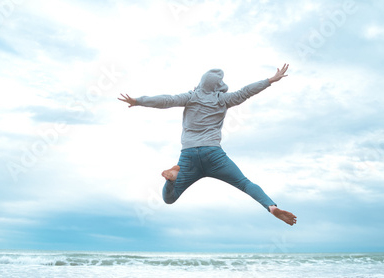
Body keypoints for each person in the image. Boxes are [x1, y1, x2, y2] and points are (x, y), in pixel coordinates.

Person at [118, 64, 297, 226]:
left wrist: (138, 101)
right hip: (213, 155)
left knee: (169, 198)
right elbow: (246, 91)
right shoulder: (224, 99)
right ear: (218, 85)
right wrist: (270, 80)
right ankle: (271, 206)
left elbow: (166, 100)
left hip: (188, 156)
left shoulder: (190, 97)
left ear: (201, 83)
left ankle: (171, 179)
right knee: (244, 183)